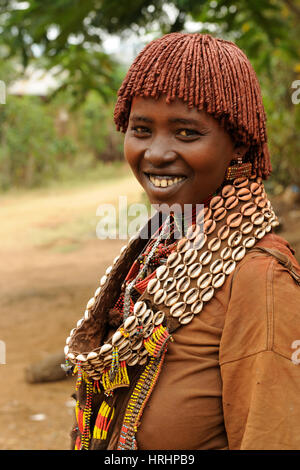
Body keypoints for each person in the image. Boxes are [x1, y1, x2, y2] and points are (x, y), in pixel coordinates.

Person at [64, 33, 300, 450]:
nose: (155, 153)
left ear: (239, 142)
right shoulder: (155, 250)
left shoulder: (260, 279)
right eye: (141, 130)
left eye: (186, 133)